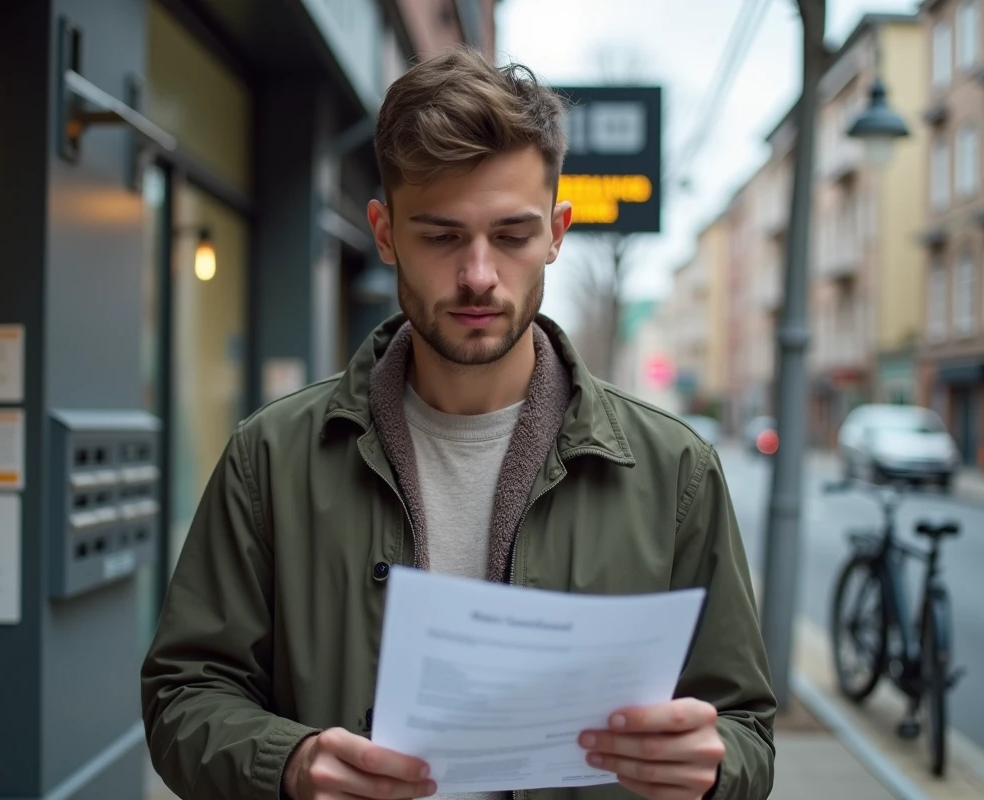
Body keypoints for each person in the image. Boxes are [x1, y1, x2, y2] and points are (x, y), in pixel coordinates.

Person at [141, 44, 775, 800]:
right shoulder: (271, 457)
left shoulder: (674, 471)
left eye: (512, 235)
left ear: (556, 233)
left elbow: (745, 728)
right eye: (441, 236)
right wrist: (289, 763)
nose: (478, 275)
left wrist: (714, 768)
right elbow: (183, 695)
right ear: (384, 233)